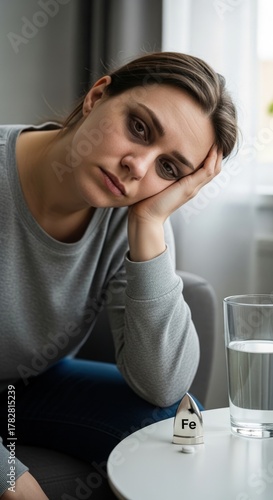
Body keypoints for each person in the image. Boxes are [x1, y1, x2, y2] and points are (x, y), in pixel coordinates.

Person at [0, 51, 238, 499]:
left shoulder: (131, 215)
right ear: (96, 96)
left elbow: (162, 386)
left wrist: (150, 225)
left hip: (24, 392)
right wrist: (8, 476)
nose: (139, 166)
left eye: (169, 168)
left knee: (178, 432)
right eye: (139, 128)